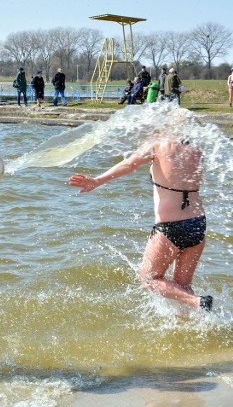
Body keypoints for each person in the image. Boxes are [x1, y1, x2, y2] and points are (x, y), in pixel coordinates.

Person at [69, 132, 213, 312]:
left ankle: (197, 302)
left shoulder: (158, 144)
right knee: (182, 285)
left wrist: (97, 180)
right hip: (197, 222)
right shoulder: (196, 146)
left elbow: (129, 164)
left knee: (148, 279)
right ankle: (187, 326)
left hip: (171, 226)